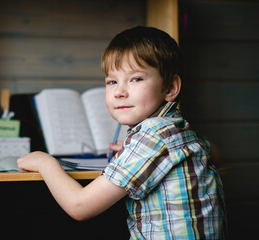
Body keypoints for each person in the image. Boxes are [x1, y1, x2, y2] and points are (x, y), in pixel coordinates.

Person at [17, 26, 226, 239]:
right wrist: (134, 154)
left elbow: (79, 206)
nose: (119, 92)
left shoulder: (152, 135)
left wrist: (45, 163)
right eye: (112, 81)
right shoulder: (177, 128)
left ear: (171, 87)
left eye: (135, 79)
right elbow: (215, 153)